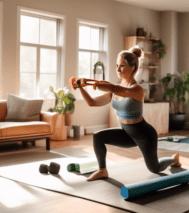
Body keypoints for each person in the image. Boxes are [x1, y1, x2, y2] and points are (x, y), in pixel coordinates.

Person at [74, 48, 181, 181]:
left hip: (144, 135)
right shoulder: (114, 90)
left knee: (155, 168)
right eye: (117, 66)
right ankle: (102, 170)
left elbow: (116, 89)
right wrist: (81, 87)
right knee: (98, 137)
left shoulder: (137, 89)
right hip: (127, 133)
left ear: (133, 67)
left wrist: (94, 83)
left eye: (122, 66)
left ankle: (173, 159)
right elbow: (92, 102)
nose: (118, 69)